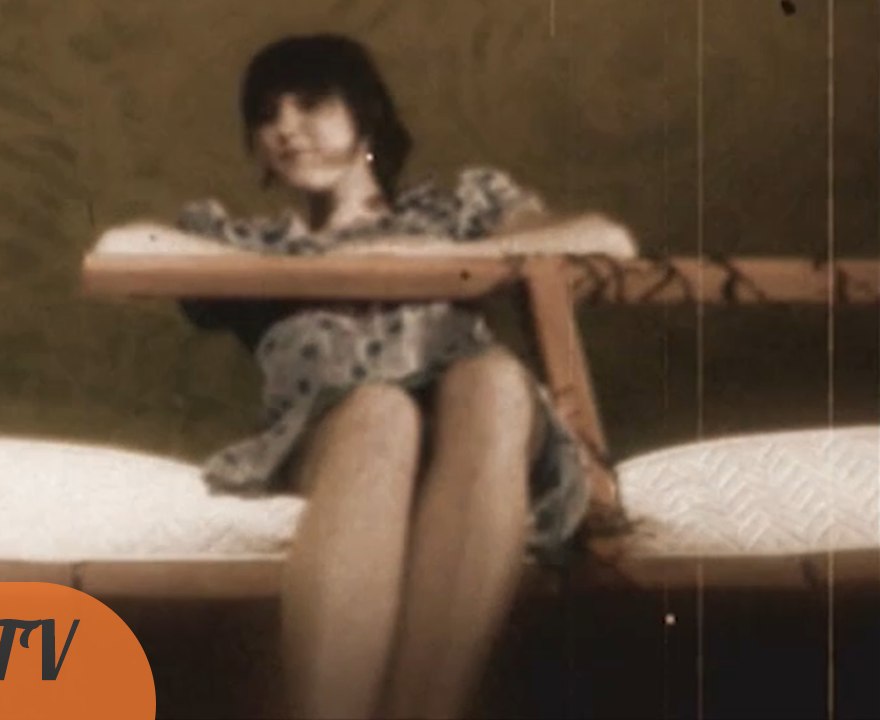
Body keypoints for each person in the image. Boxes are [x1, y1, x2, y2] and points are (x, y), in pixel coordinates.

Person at [175, 34, 621, 719]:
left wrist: (417, 253)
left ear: (367, 118)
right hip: (339, 434)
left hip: (476, 433)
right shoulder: (256, 242)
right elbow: (123, 249)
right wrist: (312, 268)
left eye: (311, 103)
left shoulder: (456, 211)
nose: (286, 127)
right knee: (381, 410)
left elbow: (605, 240)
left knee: (494, 380)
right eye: (266, 115)